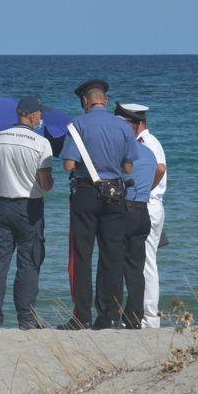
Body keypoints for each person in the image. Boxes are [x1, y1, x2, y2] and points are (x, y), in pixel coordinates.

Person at [61, 80, 139, 329]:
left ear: (85, 101)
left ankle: (81, 316)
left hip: (86, 193)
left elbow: (68, 165)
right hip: (115, 193)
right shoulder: (123, 127)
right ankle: (109, 315)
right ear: (105, 100)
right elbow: (128, 166)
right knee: (112, 256)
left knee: (81, 256)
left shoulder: (77, 126)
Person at [0, 96, 54, 329]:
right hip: (29, 208)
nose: (41, 117)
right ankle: (26, 318)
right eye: (40, 114)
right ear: (32, 116)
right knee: (29, 263)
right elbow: (45, 183)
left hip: (2, 205)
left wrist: (6, 179)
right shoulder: (41, 143)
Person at [94, 104, 156, 329]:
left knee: (111, 264)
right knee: (135, 268)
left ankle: (108, 314)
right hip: (142, 209)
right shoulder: (149, 153)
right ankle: (134, 316)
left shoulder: (120, 150)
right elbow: (160, 170)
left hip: (122, 209)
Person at [122, 103, 168, 328]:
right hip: (146, 205)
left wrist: (144, 190)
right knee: (139, 262)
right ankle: (139, 313)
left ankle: (150, 317)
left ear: (136, 123)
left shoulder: (147, 142)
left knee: (147, 263)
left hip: (148, 203)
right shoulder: (143, 142)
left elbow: (160, 169)